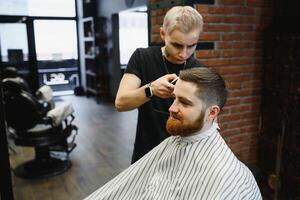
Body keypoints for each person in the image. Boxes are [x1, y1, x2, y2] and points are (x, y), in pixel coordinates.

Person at [85, 67, 262, 200]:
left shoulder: (222, 177)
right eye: (174, 98)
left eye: (184, 103)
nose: (171, 108)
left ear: (212, 113)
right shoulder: (174, 142)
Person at [115, 6, 205, 163]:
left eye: (191, 46)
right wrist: (151, 89)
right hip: (147, 152)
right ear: (163, 34)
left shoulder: (199, 70)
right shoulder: (142, 58)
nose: (184, 54)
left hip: (183, 155)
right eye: (177, 45)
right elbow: (121, 103)